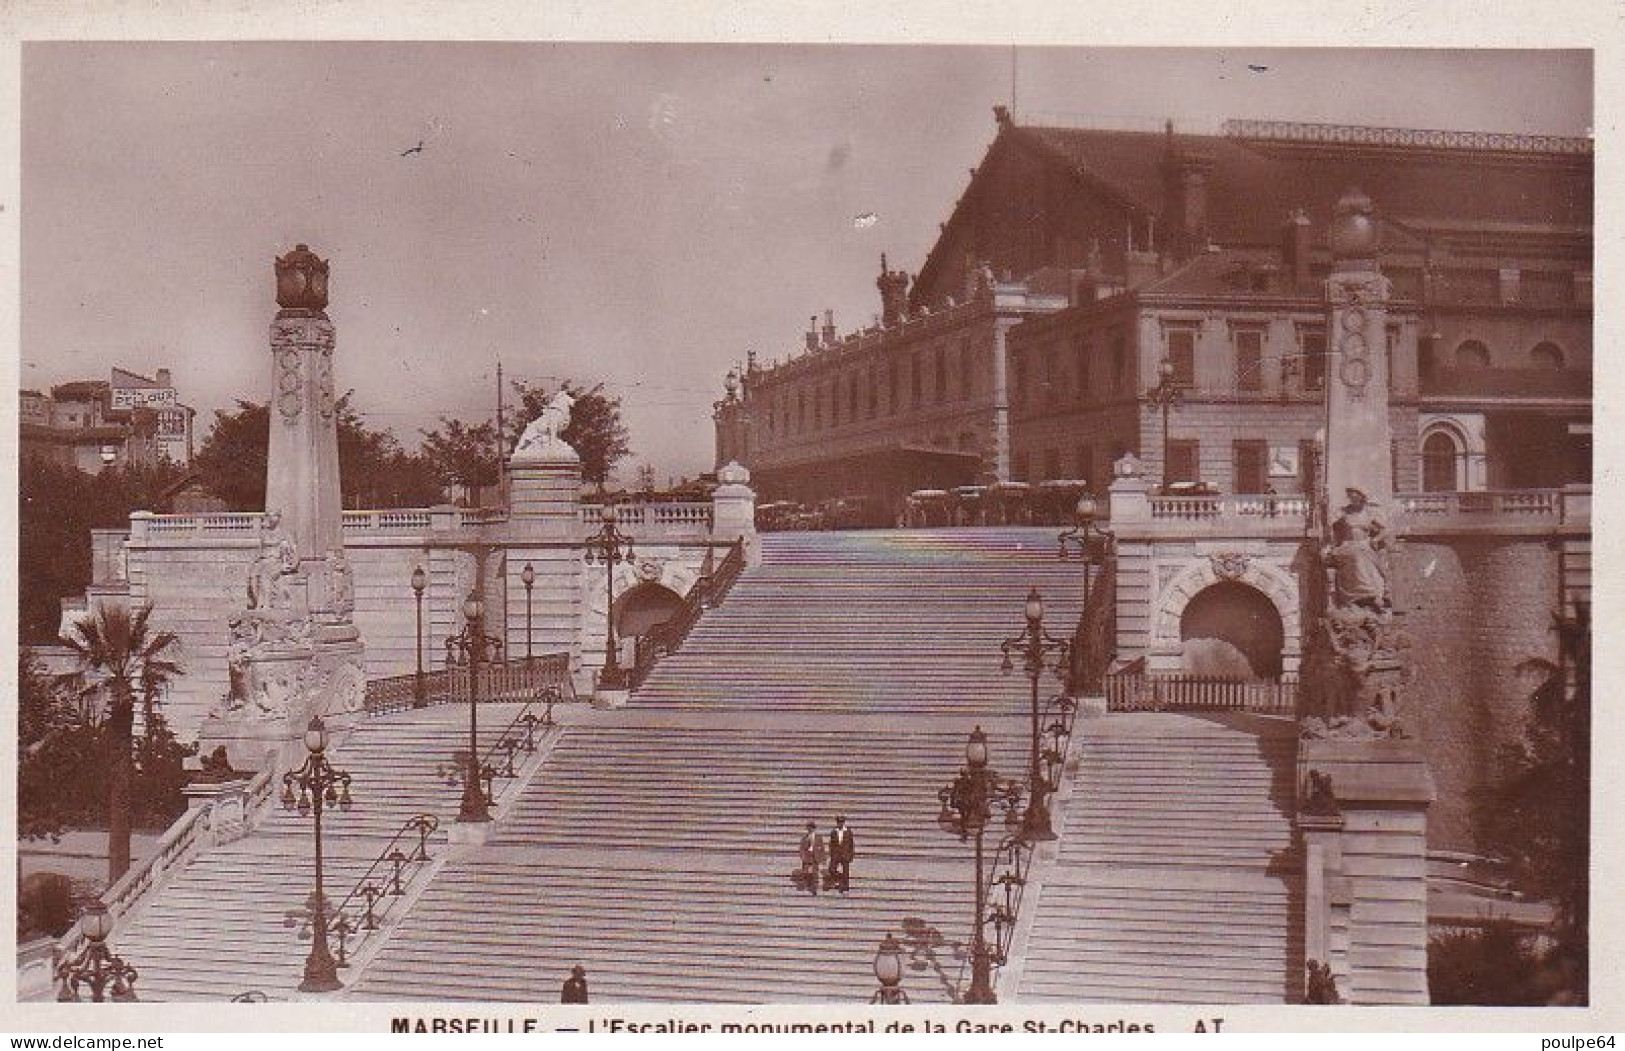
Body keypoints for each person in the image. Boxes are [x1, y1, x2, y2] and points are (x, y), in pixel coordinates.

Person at [827, 815, 855, 892]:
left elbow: (851, 844)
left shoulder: (848, 832)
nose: (840, 824)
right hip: (836, 854)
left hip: (845, 854)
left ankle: (845, 886)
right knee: (832, 869)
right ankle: (839, 879)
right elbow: (831, 844)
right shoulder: (834, 832)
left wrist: (851, 855)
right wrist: (831, 853)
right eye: (838, 822)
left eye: (841, 822)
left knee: (846, 871)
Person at [798, 820, 826, 895]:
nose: (810, 829)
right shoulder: (804, 838)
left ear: (814, 829)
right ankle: (807, 885)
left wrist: (823, 859)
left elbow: (822, 848)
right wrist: (802, 856)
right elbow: (801, 848)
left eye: (812, 828)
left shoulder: (818, 838)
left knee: (815, 873)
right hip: (807, 857)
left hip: (815, 857)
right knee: (807, 872)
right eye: (809, 828)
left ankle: (814, 888)